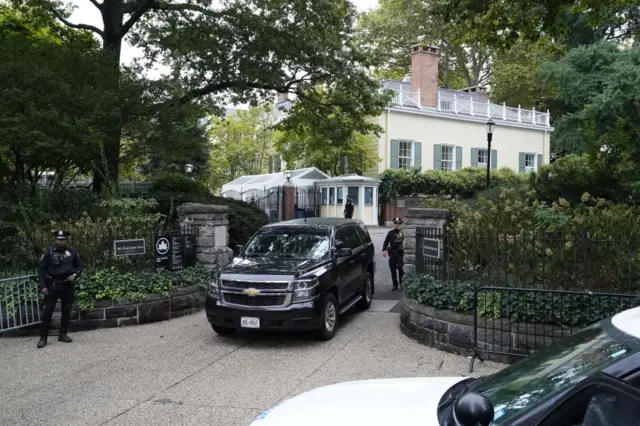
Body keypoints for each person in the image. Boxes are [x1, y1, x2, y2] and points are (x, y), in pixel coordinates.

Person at [37, 230, 84, 348]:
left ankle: (63, 334)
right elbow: (41, 270)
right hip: (52, 285)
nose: (60, 241)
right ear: (55, 240)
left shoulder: (72, 252)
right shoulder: (49, 252)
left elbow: (80, 266)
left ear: (66, 240)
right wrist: (42, 286)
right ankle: (43, 337)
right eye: (58, 239)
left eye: (63, 239)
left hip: (67, 285)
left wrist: (74, 275)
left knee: (66, 310)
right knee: (48, 311)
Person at [382, 217, 405, 291]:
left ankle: (402, 284)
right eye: (395, 223)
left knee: (401, 269)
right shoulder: (390, 232)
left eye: (398, 224)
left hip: (400, 253)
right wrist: (384, 250)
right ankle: (395, 284)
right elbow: (386, 241)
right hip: (392, 253)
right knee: (392, 269)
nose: (397, 225)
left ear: (400, 224)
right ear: (394, 224)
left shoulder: (402, 233)